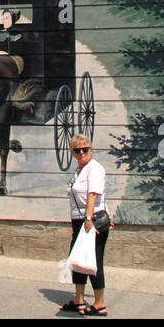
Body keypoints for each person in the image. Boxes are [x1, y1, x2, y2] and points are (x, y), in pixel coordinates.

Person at [60, 134, 110, 316]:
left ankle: (100, 303)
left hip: (91, 221)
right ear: (73, 153)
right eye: (77, 150)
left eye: (85, 149)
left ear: (91, 149)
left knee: (93, 261)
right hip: (79, 221)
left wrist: (89, 219)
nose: (81, 153)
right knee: (77, 260)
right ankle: (78, 300)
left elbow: (93, 194)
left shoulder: (94, 168)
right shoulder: (79, 170)